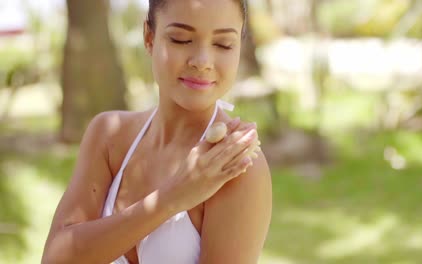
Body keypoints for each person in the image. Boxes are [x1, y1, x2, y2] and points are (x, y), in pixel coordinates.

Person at [41, 0, 272, 263]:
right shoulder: (108, 136)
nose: (202, 61)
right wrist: (171, 198)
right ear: (149, 38)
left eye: (223, 44)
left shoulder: (234, 166)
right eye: (181, 39)